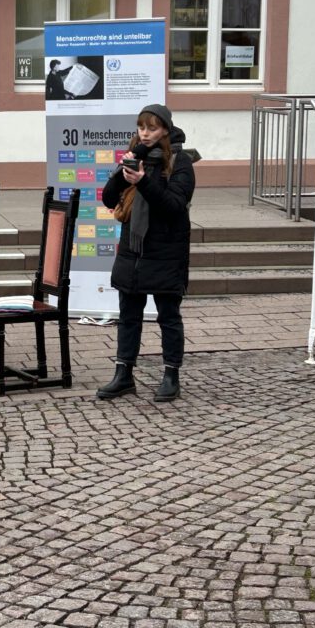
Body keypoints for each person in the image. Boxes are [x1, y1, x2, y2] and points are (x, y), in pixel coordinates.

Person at [96, 103, 195, 403]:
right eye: (141, 127)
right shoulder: (135, 155)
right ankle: (123, 375)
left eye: (152, 128)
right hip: (133, 251)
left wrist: (144, 182)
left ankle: (171, 376)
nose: (145, 133)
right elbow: (109, 199)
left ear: (165, 129)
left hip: (166, 251)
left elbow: (173, 206)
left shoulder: (180, 161)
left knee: (168, 317)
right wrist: (121, 174)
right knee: (128, 316)